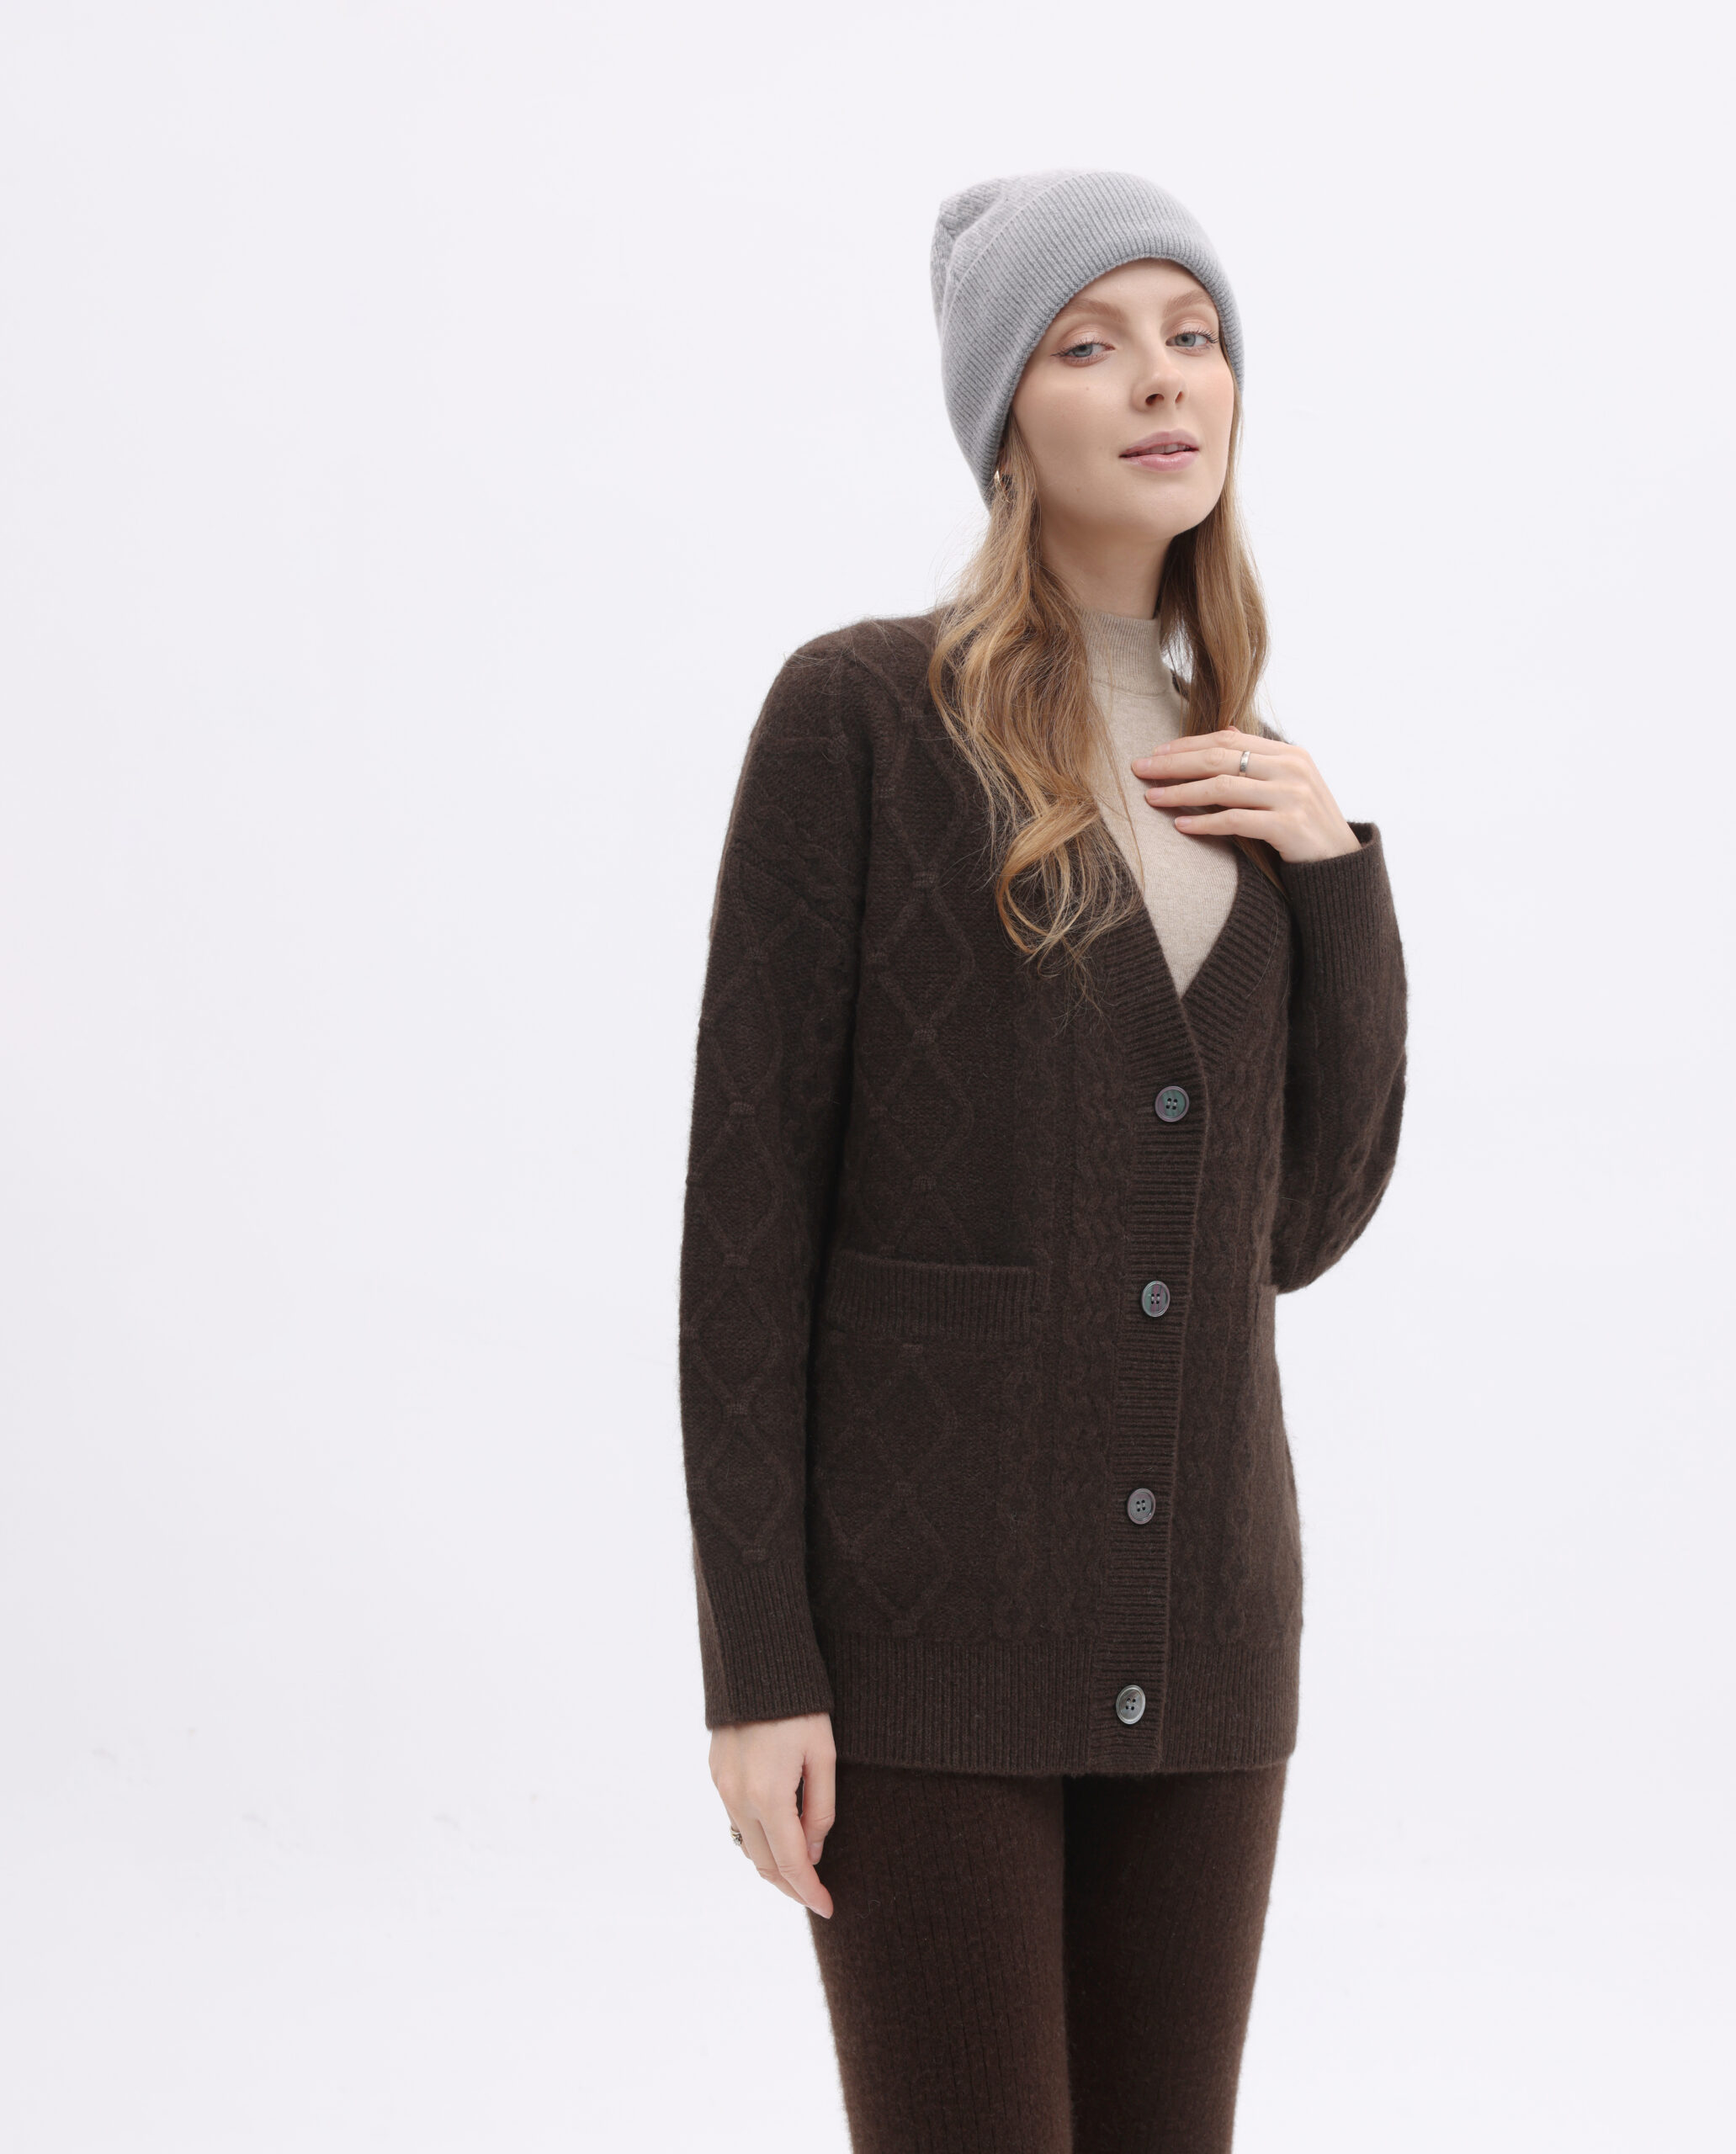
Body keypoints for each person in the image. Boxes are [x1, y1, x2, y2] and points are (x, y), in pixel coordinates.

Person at [680, 168, 1410, 2152]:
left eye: (1193, 334)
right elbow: (744, 1233)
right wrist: (758, 1669)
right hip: (921, 1648)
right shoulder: (859, 716)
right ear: (1006, 408)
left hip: (1205, 1638)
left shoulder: (1245, 771)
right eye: (1089, 343)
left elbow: (1301, 1222)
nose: (1161, 378)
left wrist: (1336, 884)